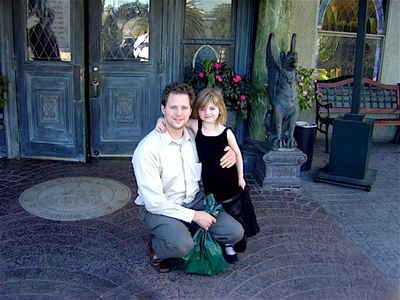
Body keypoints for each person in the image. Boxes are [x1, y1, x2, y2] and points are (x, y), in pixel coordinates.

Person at [132, 82, 244, 273]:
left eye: (184, 107)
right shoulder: (147, 150)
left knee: (235, 232)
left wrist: (232, 154)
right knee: (183, 245)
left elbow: (216, 147)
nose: (178, 113)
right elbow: (154, 203)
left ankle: (187, 229)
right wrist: (195, 216)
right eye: (172, 107)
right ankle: (157, 249)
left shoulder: (194, 136)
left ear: (191, 110)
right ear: (163, 109)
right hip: (160, 208)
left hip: (194, 201)